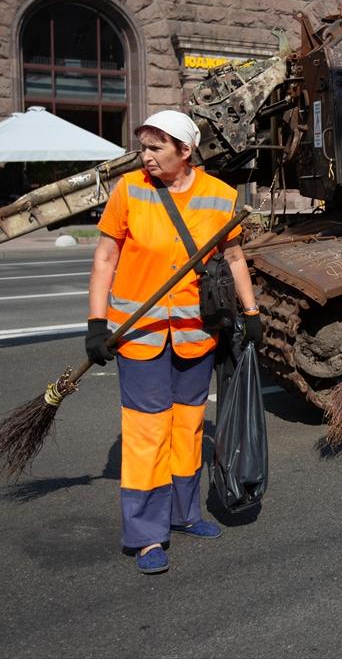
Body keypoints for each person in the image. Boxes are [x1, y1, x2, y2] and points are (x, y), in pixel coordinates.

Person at [85, 110, 261, 575]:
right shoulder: (131, 191)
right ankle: (146, 535)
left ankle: (185, 514)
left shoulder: (221, 196)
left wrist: (251, 312)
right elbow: (105, 257)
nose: (145, 157)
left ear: (185, 151)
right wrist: (96, 323)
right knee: (147, 434)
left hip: (196, 336)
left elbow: (235, 256)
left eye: (155, 148)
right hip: (139, 335)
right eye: (143, 147)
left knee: (187, 428)